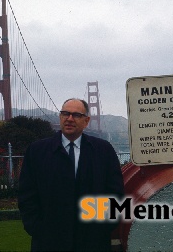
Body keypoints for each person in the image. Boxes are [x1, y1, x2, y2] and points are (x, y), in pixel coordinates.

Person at [19, 98, 125, 251]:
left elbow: (115, 194)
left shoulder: (104, 151)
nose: (69, 119)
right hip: (48, 242)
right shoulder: (36, 151)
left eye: (76, 115)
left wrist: (103, 228)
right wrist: (37, 229)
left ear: (86, 121)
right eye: (65, 114)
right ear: (60, 117)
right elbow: (27, 195)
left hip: (93, 242)